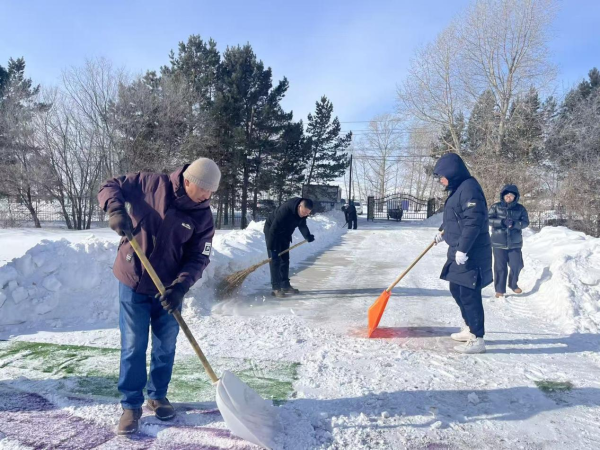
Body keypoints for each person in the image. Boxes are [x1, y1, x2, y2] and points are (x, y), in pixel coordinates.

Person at [97, 157, 220, 435]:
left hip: (168, 288)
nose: (207, 196)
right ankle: (131, 405)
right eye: (203, 189)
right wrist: (115, 209)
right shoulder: (151, 184)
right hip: (133, 278)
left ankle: (158, 395)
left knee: (166, 344)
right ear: (188, 181)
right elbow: (110, 185)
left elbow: (199, 256)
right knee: (134, 344)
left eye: (211, 192)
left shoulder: (203, 216)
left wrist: (180, 287)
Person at [432, 153, 493, 354]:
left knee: (469, 294)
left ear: (452, 172)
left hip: (471, 251)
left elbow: (473, 221)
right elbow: (455, 216)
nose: (441, 181)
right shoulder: (458, 188)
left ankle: (477, 338)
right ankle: (469, 327)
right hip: (458, 248)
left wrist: (463, 248)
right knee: (456, 289)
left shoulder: (470, 188)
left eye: (442, 176)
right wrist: (443, 231)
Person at [263, 198, 315, 297]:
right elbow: (274, 228)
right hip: (272, 231)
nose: (305, 215)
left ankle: (285, 285)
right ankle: (276, 288)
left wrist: (307, 236)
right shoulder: (285, 210)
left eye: (308, 213)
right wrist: (272, 248)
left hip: (285, 233)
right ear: (299, 206)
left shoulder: (303, 213)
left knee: (285, 260)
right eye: (304, 212)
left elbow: (302, 225)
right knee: (275, 260)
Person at [488, 184, 529, 298]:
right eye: (506, 195)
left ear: (515, 197)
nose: (508, 197)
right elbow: (488, 219)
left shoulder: (520, 208)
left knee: (517, 265)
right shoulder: (495, 207)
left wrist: (515, 224)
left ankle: (513, 284)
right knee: (500, 267)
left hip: (515, 242)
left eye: (511, 196)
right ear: (503, 196)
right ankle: (500, 290)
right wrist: (501, 222)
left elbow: (525, 222)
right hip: (498, 242)